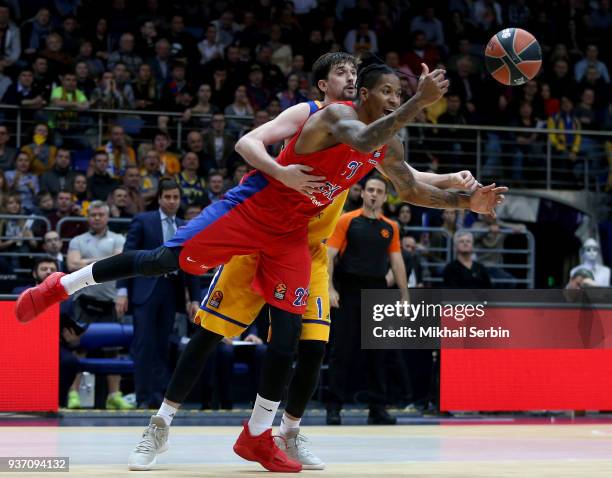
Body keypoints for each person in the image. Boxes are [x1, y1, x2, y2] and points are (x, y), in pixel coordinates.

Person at [17, 57, 505, 473]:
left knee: (292, 337)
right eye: (385, 90)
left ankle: (258, 434)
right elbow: (343, 137)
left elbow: (411, 187)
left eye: (393, 90)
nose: (378, 91)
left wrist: (468, 203)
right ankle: (64, 284)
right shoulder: (335, 117)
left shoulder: (386, 141)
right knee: (162, 262)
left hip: (293, 239)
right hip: (252, 213)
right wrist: (416, 103)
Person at [326, 176, 406, 425]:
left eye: (378, 191)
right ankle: (334, 407)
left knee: (378, 354)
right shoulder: (346, 220)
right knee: (342, 352)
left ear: (384, 197)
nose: (373, 194)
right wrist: (329, 288)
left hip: (378, 292)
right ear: (362, 194)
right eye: (370, 190)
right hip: (349, 289)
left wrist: (405, 295)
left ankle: (377, 408)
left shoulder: (390, 226)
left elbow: (397, 262)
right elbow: (329, 256)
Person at [114, 180, 201, 409]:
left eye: (176, 197)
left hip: (171, 290)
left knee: (164, 345)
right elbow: (128, 256)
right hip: (145, 289)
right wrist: (122, 290)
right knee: (144, 345)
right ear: (160, 198)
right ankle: (143, 397)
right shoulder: (143, 220)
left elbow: (191, 263)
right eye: (168, 197)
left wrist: (194, 298)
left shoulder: (185, 225)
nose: (172, 201)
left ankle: (160, 398)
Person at [67, 201, 134, 410]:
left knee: (112, 350)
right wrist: (105, 261)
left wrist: (86, 262)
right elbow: (71, 264)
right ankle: (73, 394)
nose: (96, 218)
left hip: (110, 302)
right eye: (93, 214)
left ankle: (114, 395)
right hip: (84, 302)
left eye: (100, 214)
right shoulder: (78, 240)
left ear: (107, 217)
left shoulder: (118, 238)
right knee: (78, 348)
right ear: (88, 217)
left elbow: (120, 261)